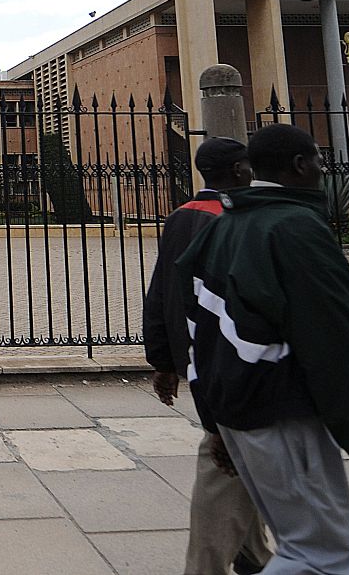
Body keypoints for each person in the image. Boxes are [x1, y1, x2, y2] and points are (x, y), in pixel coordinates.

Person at [179, 124, 349, 574]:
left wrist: (215, 423)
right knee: (319, 557)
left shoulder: (227, 227)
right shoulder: (294, 230)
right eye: (317, 158)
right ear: (299, 164)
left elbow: (198, 334)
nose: (321, 168)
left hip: (240, 411)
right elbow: (339, 354)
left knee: (303, 547)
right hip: (281, 412)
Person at [142, 137, 270, 575]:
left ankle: (254, 552)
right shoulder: (241, 219)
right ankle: (220, 563)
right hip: (233, 356)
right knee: (228, 454)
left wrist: (162, 359)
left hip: (192, 349)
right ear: (239, 170)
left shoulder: (180, 217)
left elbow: (162, 289)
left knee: (243, 456)